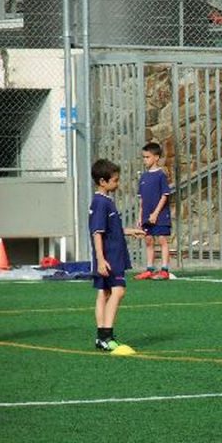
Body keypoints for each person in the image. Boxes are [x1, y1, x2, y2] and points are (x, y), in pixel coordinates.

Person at [89, 158, 145, 351]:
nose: (118, 183)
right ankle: (107, 335)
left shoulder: (104, 201)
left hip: (109, 255)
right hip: (110, 256)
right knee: (118, 291)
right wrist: (101, 259)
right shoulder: (100, 203)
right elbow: (97, 232)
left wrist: (129, 231)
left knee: (104, 293)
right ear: (102, 182)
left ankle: (101, 337)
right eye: (115, 180)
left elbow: (110, 229)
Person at [134, 141, 173, 280]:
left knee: (162, 239)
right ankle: (149, 269)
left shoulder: (161, 175)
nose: (145, 160)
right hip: (146, 215)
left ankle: (164, 270)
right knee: (148, 240)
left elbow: (165, 195)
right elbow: (142, 199)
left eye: (147, 157)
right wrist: (140, 216)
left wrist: (156, 213)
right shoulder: (143, 177)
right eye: (143, 157)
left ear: (156, 157)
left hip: (160, 215)